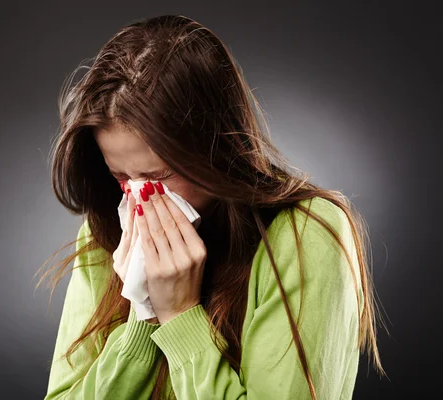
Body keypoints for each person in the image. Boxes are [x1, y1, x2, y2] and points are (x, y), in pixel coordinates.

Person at [37, 14, 387, 400]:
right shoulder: (107, 231)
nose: (139, 198)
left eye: (159, 175)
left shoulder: (307, 234)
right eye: (121, 177)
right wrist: (143, 315)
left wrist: (181, 317)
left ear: (215, 150)